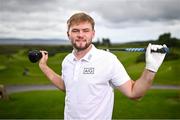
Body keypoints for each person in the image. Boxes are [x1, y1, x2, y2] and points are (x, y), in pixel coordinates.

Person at [39, 12, 167, 119]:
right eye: (75, 30)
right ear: (68, 34)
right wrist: (44, 67)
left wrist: (151, 69)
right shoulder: (67, 60)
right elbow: (67, 87)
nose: (81, 35)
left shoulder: (108, 60)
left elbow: (134, 93)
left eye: (86, 30)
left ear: (93, 34)